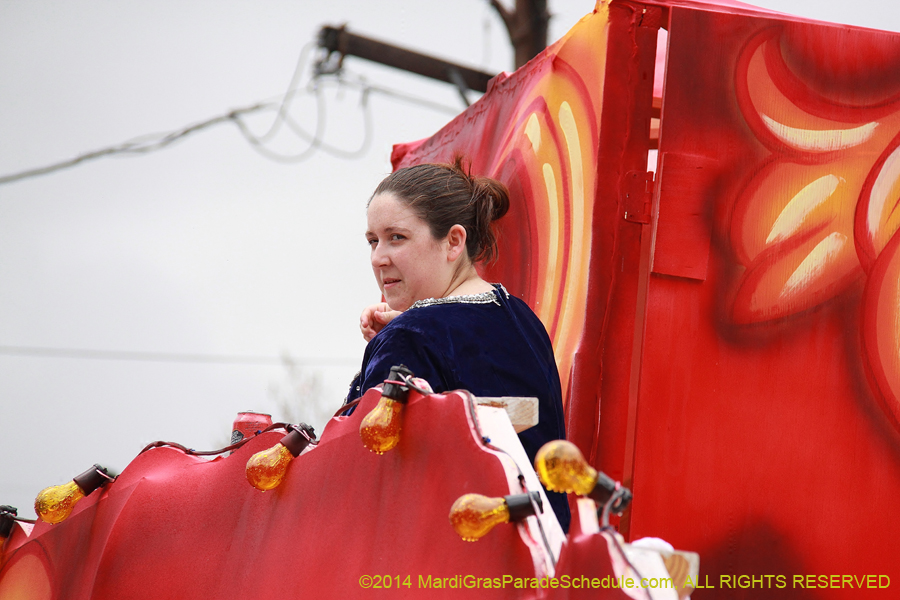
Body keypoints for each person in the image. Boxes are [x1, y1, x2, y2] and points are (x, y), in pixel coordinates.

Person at [345, 157, 570, 532]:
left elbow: (362, 472)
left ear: (453, 242)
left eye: (396, 237)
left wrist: (399, 339)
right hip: (545, 562)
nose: (378, 258)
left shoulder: (411, 337)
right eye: (372, 241)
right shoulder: (524, 321)